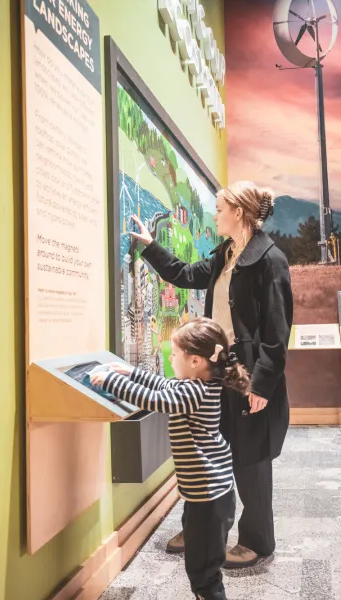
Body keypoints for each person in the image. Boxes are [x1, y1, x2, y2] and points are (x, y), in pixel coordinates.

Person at [129, 181, 293, 569]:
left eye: (219, 209)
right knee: (206, 452)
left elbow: (278, 330)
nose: (215, 215)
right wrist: (149, 246)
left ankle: (257, 541)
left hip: (248, 376)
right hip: (217, 371)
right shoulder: (227, 254)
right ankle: (203, 525)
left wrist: (262, 385)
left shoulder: (271, 260)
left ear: (238, 212)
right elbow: (185, 274)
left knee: (250, 461)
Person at [90, 318, 248, 600]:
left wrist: (113, 381)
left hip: (208, 499)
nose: (170, 358)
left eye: (174, 354)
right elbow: (163, 384)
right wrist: (130, 372)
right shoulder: (199, 384)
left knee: (204, 575)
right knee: (203, 565)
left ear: (196, 360)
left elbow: (155, 399)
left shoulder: (193, 392)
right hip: (208, 495)